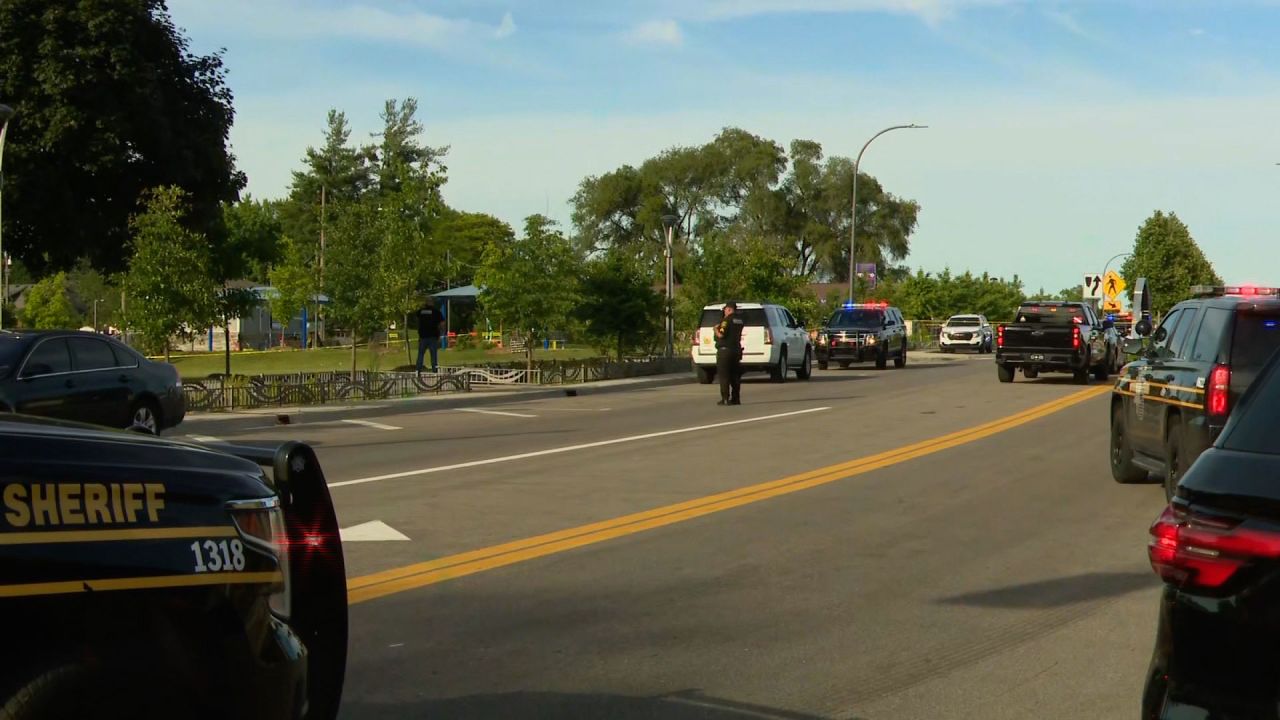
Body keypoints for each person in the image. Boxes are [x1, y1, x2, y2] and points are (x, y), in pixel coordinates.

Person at [714, 301, 745, 406]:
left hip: (725, 351)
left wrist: (715, 329)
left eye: (725, 309)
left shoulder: (726, 320)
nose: (724, 311)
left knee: (724, 376)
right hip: (736, 350)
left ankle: (725, 398)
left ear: (729, 309)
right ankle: (736, 398)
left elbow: (721, 335)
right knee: (735, 376)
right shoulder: (740, 320)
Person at [415, 297, 445, 373]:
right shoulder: (436, 312)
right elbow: (442, 324)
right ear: (432, 303)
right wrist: (441, 333)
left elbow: (417, 322)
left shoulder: (421, 311)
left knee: (421, 354)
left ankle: (418, 369)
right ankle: (434, 370)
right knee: (433, 354)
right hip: (433, 336)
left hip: (423, 336)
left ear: (426, 302)